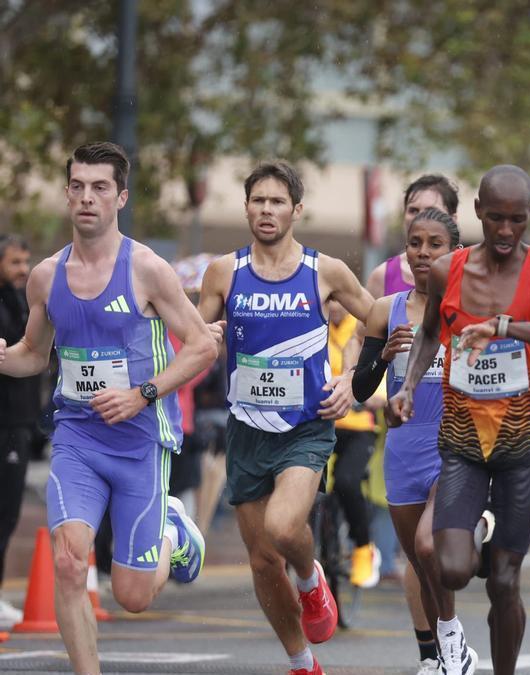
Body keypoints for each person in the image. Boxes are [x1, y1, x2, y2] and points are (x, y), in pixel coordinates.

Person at [0, 142, 214, 673]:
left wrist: (142, 394)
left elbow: (203, 346)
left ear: (120, 196)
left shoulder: (147, 268)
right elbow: (32, 354)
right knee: (70, 561)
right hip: (77, 436)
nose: (87, 197)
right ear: (67, 194)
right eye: (78, 186)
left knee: (133, 595)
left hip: (140, 438)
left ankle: (172, 531)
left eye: (100, 187)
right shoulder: (46, 277)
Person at [395, 165, 530, 675]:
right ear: (478, 211)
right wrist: (410, 385)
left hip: (524, 445)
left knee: (505, 580)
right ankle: (481, 525)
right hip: (462, 440)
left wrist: (510, 326)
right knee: (453, 569)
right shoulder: (448, 270)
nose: (506, 232)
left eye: (517, 220)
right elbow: (430, 332)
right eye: (496, 218)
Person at [197, 160, 376, 675]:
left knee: (282, 526)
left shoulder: (325, 271)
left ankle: (310, 575)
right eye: (258, 200)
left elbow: (375, 321)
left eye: (278, 201)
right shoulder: (223, 273)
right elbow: (191, 337)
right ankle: (302, 661)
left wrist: (350, 382)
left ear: (296, 210)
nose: (267, 210)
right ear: (247, 207)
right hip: (246, 429)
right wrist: (200, 339)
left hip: (306, 425)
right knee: (259, 561)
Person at [353, 207, 467, 675]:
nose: (423, 253)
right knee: (418, 566)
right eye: (414, 242)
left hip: (456, 444)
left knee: (428, 545)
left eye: (434, 244)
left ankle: (453, 637)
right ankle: (436, 654)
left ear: (454, 252)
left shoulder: (470, 308)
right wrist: (383, 354)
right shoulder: (386, 309)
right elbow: (361, 389)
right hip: (403, 447)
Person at [326, 299, 386, 589]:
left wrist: (363, 397)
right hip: (322, 424)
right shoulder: (315, 330)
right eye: (328, 301)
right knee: (304, 488)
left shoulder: (364, 330)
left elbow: (381, 385)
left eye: (339, 301)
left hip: (359, 428)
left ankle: (364, 548)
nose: (334, 307)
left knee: (347, 482)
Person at [0, 234, 37, 627]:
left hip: (21, 422)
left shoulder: (28, 303)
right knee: (3, 512)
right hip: (5, 424)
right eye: (14, 262)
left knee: (8, 515)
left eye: (26, 261)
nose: (23, 269)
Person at [366, 175, 460, 297]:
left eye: (431, 211)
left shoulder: (470, 276)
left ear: (452, 219)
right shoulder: (383, 275)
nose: (420, 218)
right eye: (413, 210)